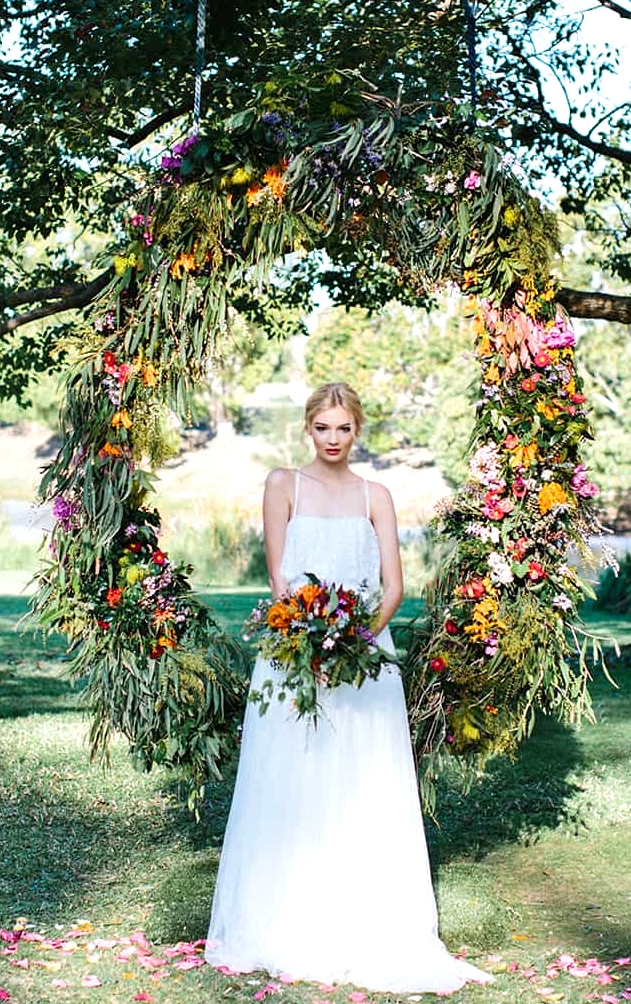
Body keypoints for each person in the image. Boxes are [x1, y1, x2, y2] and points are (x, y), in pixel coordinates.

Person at [205, 382, 493, 993]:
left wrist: (354, 642)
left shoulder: (376, 495)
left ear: (356, 430)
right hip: (294, 653)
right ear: (307, 428)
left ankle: (367, 920)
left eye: (344, 429)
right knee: (293, 776)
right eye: (322, 428)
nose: (333, 440)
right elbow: (279, 576)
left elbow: (392, 586)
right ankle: (284, 920)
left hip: (365, 659)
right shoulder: (283, 485)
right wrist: (309, 643)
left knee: (362, 781)